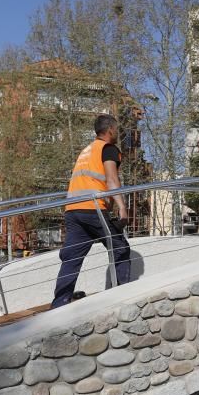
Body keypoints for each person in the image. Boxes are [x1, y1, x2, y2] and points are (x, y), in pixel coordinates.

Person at [51, 114, 131, 308]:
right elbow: (112, 180)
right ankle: (126, 297)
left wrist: (107, 204)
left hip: (73, 209)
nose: (118, 132)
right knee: (120, 248)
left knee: (72, 256)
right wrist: (122, 207)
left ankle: (59, 303)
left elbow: (92, 180)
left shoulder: (86, 150)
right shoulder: (108, 149)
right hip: (91, 208)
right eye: (117, 129)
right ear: (110, 130)